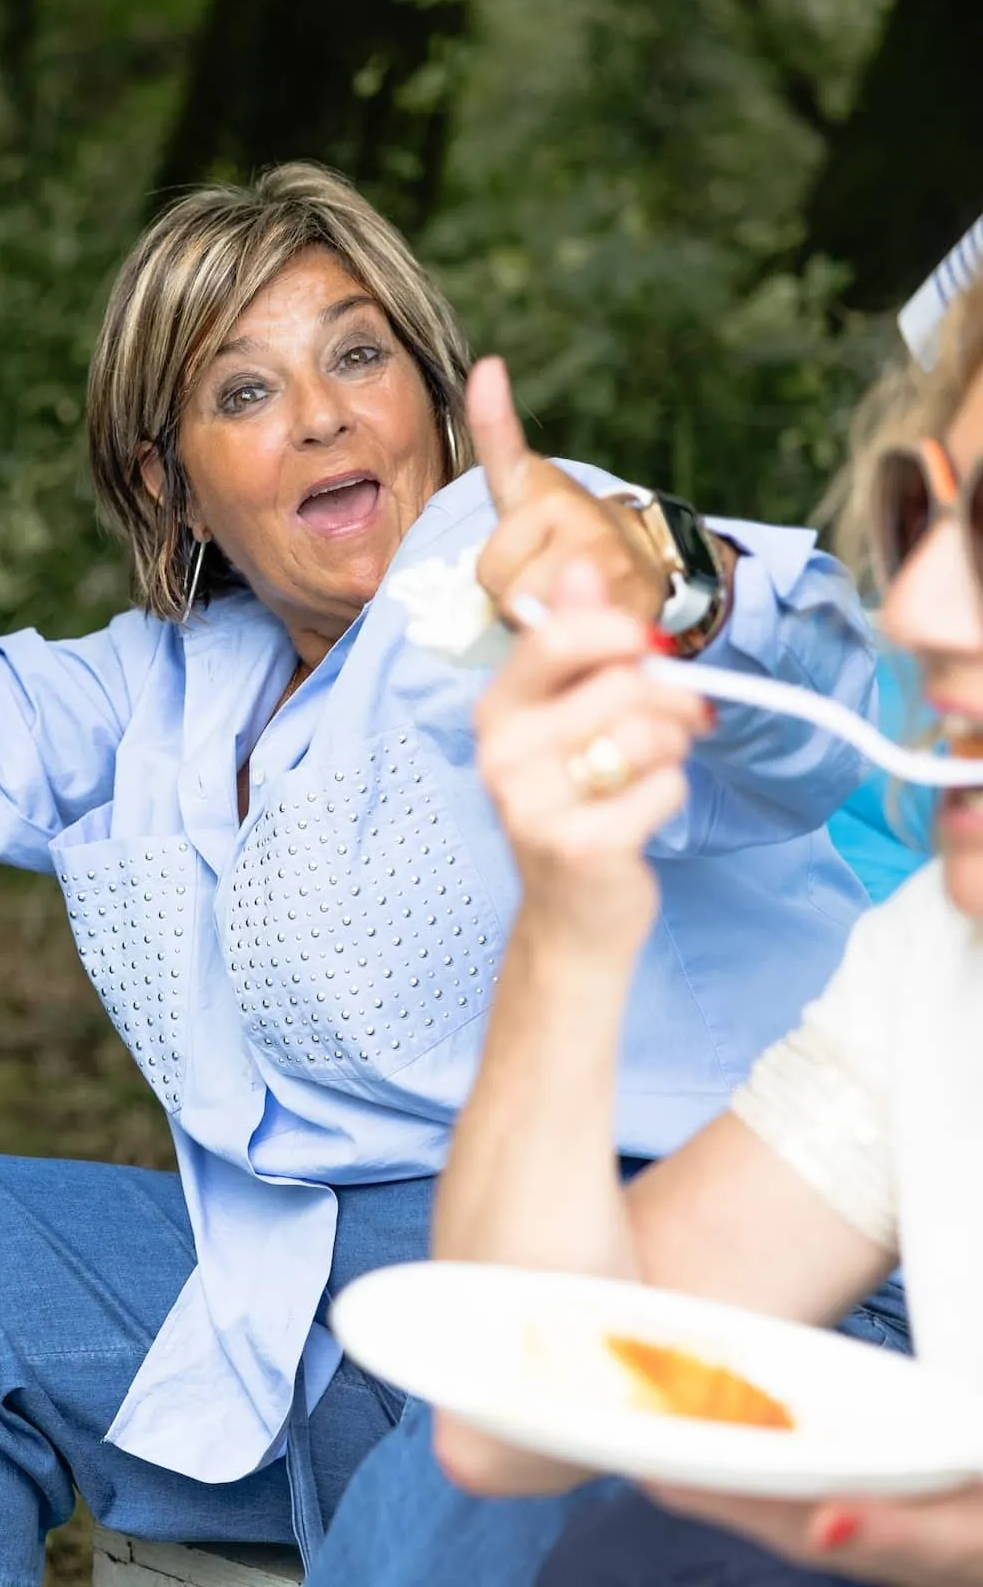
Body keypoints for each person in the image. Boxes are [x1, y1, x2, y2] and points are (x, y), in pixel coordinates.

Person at [0, 163, 896, 1584]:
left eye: (359, 355)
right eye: (244, 393)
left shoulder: (519, 577)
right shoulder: (174, 684)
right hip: (302, 1309)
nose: (321, 413)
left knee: (460, 1485)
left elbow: (797, 722)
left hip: (679, 1279)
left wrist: (679, 580)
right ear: (167, 485)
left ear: (433, 402)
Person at [305, 273, 983, 1586]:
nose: (918, 609)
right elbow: (520, 1424)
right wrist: (570, 905)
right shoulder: (932, 971)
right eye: (923, 515)